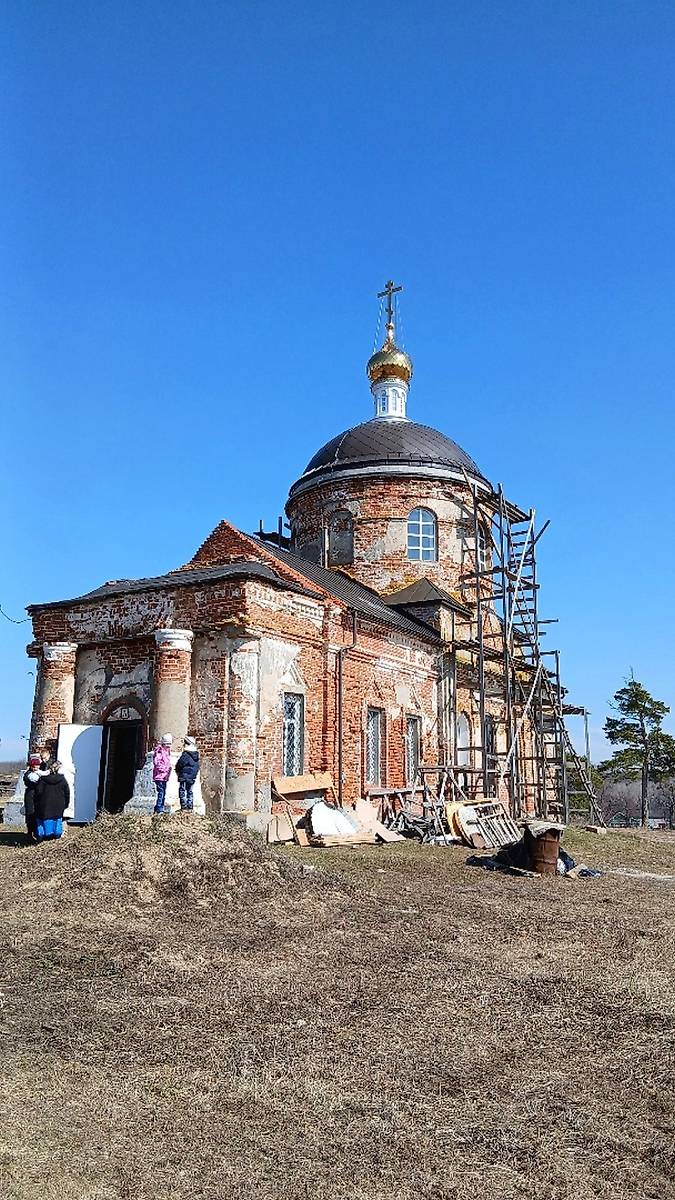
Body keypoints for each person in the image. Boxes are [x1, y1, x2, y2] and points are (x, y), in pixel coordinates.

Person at [34, 761, 70, 841]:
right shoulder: (62, 780)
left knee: (41, 820)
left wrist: (37, 803)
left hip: (44, 805)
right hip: (58, 806)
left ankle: (41, 835)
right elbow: (67, 793)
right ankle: (57, 835)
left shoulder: (42, 780)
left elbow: (38, 793)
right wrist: (65, 804)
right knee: (57, 820)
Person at [175, 736, 199, 812]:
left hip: (184, 775)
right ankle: (190, 807)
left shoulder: (186, 754)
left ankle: (184, 807)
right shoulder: (196, 755)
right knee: (190, 791)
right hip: (192, 776)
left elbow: (180, 764)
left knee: (182, 790)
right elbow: (197, 766)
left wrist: (177, 770)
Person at [22, 753, 42, 842]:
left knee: (37, 814)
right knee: (31, 814)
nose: (36, 767)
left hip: (37, 795)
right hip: (30, 795)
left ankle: (37, 832)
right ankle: (30, 833)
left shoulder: (37, 772)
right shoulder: (29, 774)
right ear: (31, 766)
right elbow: (37, 781)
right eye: (35, 766)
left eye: (38, 765)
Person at [152, 733, 173, 815]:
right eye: (167, 745)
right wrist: (165, 769)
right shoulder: (159, 752)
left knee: (163, 793)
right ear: (164, 744)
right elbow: (157, 764)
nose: (168, 747)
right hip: (159, 776)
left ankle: (160, 807)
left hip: (164, 777)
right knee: (161, 792)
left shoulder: (166, 752)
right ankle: (159, 808)